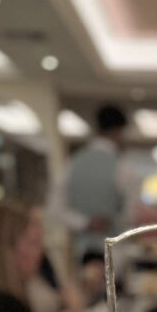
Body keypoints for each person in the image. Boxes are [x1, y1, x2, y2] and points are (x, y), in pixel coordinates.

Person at [49, 104, 127, 261]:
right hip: (117, 255)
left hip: (82, 253)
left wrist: (85, 223)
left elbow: (55, 209)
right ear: (119, 132)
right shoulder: (123, 167)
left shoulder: (71, 164)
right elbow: (131, 213)